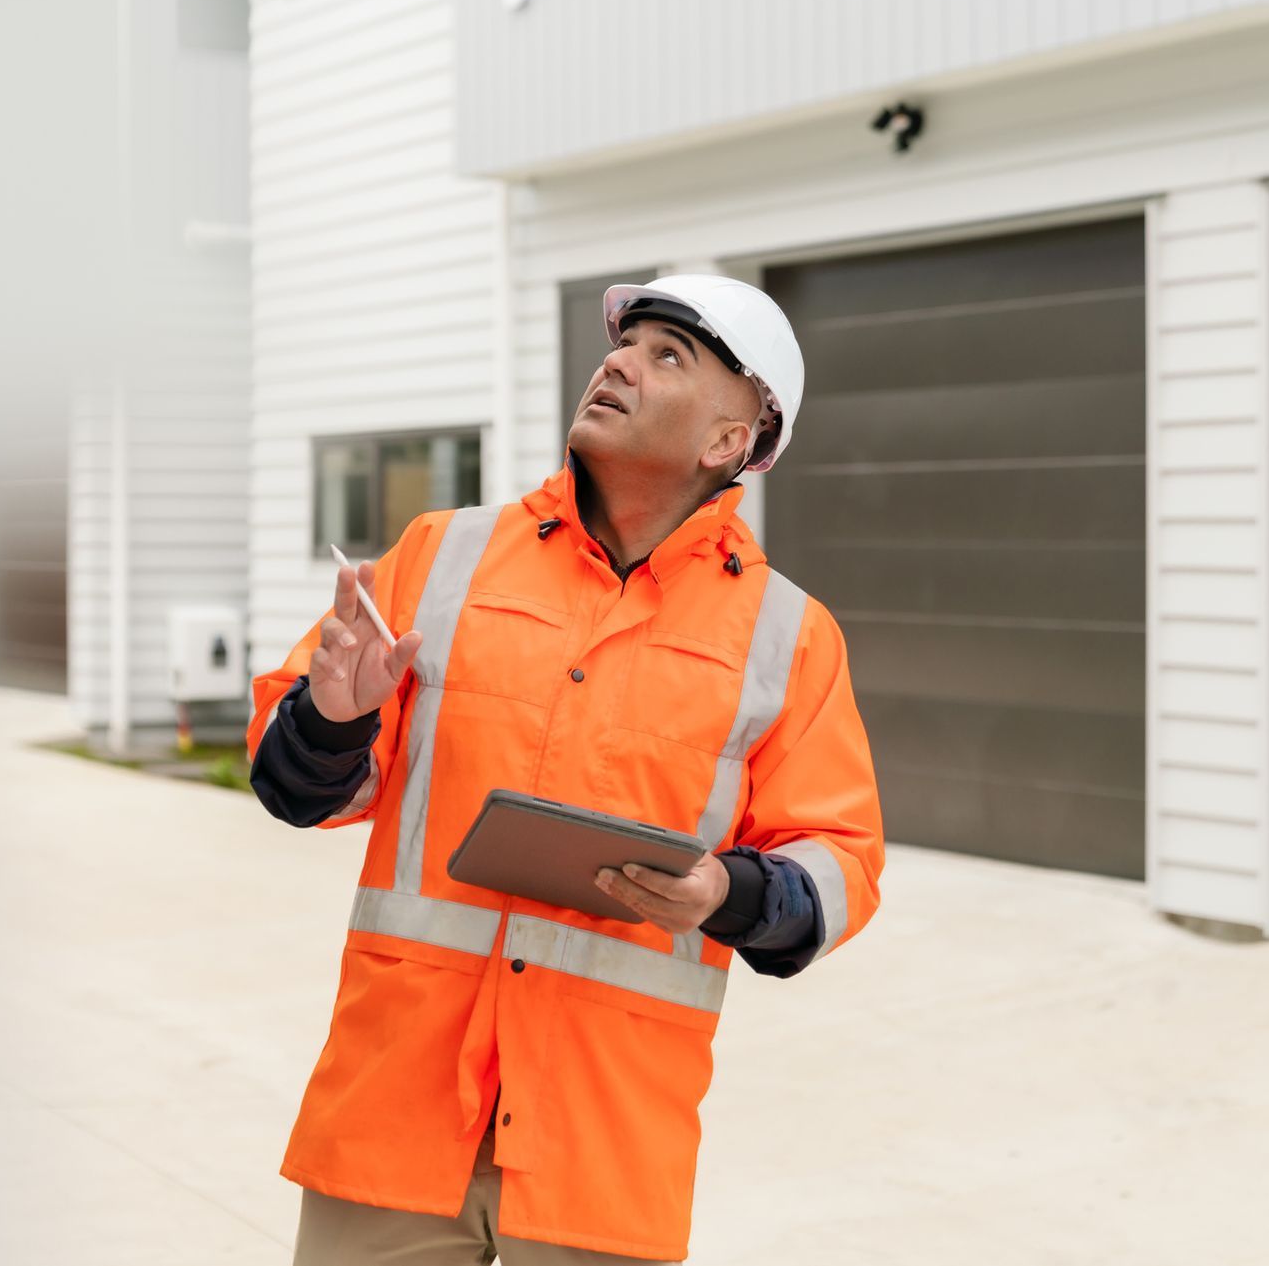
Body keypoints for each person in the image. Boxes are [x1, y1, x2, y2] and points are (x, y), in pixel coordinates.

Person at [247, 275, 884, 1264]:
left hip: (601, 1144)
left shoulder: (788, 637)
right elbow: (295, 786)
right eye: (623, 344)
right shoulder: (441, 555)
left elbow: (841, 863)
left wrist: (728, 889)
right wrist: (333, 717)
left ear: (731, 438)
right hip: (393, 1114)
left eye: (667, 354)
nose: (618, 361)